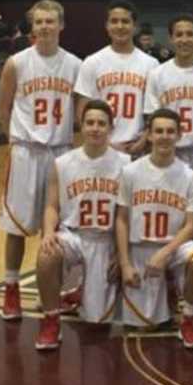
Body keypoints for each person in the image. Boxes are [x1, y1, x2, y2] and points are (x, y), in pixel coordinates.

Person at [0, 0, 82, 320]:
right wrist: (13, 140)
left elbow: (83, 109)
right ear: (32, 27)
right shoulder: (16, 63)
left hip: (60, 153)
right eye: (39, 22)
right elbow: (3, 107)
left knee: (60, 229)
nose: (45, 27)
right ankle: (11, 289)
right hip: (26, 152)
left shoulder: (75, 65)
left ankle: (55, 291)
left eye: (50, 21)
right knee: (16, 227)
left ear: (61, 26)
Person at [34, 100, 129, 350]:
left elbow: (127, 216)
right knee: (47, 255)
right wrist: (47, 233)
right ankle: (51, 320)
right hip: (73, 235)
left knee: (97, 324)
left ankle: (81, 292)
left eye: (101, 123)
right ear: (81, 126)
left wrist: (122, 253)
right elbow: (52, 206)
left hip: (106, 240)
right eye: (90, 123)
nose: (95, 128)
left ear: (111, 127)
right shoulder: (62, 163)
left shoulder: (127, 164)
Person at [116, 108, 193, 347]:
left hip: (173, 247)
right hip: (140, 249)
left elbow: (191, 226)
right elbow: (122, 220)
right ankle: (167, 288)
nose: (164, 136)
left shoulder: (189, 175)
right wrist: (124, 264)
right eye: (158, 131)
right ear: (148, 135)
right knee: (145, 326)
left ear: (179, 135)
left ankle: (188, 319)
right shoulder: (130, 172)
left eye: (170, 131)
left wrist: (165, 252)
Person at [75, 0, 158, 155]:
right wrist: (105, 144)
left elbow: (154, 112)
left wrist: (144, 140)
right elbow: (82, 111)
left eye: (125, 21)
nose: (120, 26)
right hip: (102, 147)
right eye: (114, 21)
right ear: (107, 26)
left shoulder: (151, 64)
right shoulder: (92, 62)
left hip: (137, 148)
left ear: (135, 27)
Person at [144, 13, 193, 168]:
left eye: (190, 34)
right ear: (171, 39)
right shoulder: (157, 74)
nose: (184, 40)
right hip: (169, 152)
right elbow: (152, 120)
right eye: (179, 35)